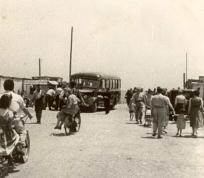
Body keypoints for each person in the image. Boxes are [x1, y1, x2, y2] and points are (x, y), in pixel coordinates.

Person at [3, 79, 32, 145]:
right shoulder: (18, 97)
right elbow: (24, 108)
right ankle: (21, 144)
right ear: (13, 87)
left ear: (4, 86)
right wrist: (29, 115)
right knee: (23, 131)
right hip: (13, 120)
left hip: (2, 120)